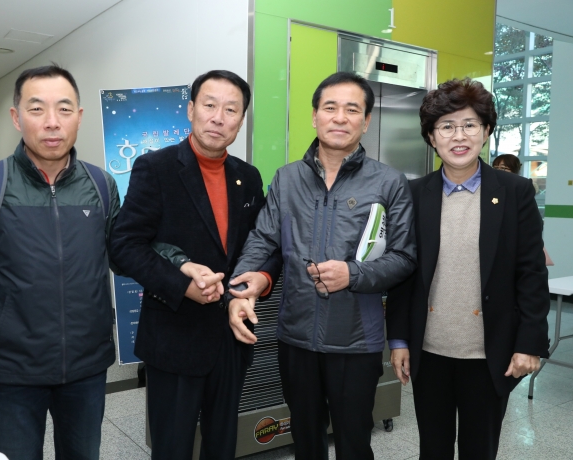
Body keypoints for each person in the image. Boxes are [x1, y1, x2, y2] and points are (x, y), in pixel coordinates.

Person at [0, 65, 122, 460]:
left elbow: (128, 253)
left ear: (79, 117)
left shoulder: (102, 186)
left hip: (86, 368)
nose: (52, 122)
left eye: (64, 109)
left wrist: (181, 264)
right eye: (37, 109)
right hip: (10, 371)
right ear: (17, 117)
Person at [227, 71, 416, 459]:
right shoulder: (287, 179)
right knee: (306, 439)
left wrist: (353, 274)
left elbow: (404, 257)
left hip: (357, 340)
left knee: (353, 441)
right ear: (314, 116)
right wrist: (241, 290)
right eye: (330, 107)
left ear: (366, 121)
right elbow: (263, 239)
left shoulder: (389, 182)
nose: (340, 117)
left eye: (352, 109)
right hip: (296, 337)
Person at [109, 70, 281, 460]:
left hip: (231, 337)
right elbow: (123, 246)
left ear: (241, 120)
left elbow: (265, 244)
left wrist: (261, 278)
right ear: (190, 110)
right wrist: (181, 284)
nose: (218, 117)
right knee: (172, 447)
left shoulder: (248, 176)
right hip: (174, 336)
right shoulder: (156, 168)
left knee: (222, 445)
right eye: (210, 105)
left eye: (231, 110)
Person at [386, 78, 550, 460]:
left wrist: (529, 343)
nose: (458, 136)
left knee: (479, 450)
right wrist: (399, 340)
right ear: (431, 137)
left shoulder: (515, 192)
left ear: (486, 131)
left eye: (469, 124)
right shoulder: (414, 194)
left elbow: (531, 273)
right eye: (446, 126)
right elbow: (403, 273)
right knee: (434, 450)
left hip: (489, 353)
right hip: (430, 351)